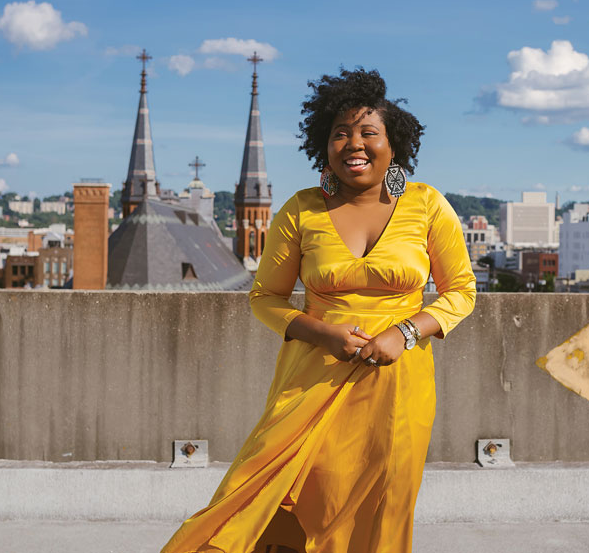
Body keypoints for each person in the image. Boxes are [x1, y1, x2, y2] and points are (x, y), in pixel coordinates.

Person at [161, 67, 476, 553]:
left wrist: (407, 333)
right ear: (324, 146)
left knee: (382, 507)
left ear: (394, 146)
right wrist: (320, 332)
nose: (355, 144)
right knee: (265, 495)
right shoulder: (300, 210)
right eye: (341, 134)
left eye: (369, 133)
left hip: (397, 387)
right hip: (312, 379)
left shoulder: (428, 206)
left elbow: (461, 292)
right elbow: (264, 297)